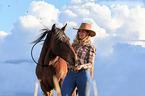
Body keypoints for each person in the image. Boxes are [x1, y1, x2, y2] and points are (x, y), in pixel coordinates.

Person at [61, 23, 96, 96]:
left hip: (83, 75)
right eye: (79, 31)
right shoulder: (73, 46)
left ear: (87, 34)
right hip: (70, 74)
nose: (80, 33)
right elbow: (68, 59)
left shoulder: (90, 47)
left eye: (82, 32)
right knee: (64, 93)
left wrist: (81, 66)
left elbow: (90, 64)